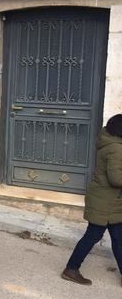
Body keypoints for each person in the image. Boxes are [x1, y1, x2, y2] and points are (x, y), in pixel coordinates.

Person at [62, 114, 122, 285]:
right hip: (106, 202)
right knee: (93, 235)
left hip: (110, 201)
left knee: (118, 238)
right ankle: (71, 269)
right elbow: (116, 178)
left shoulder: (110, 141)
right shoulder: (116, 148)